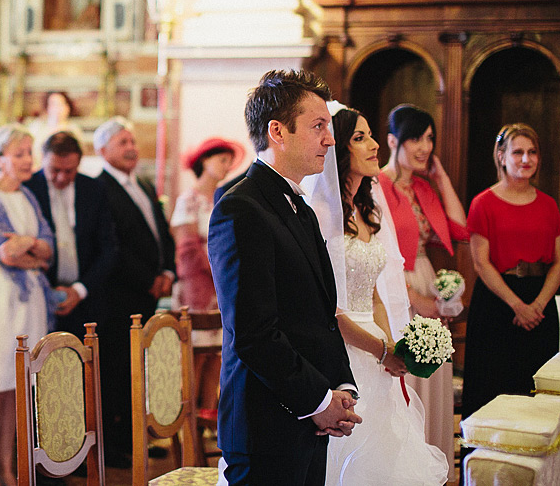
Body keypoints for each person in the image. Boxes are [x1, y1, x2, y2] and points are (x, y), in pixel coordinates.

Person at [208, 69, 360, 485]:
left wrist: (339, 388)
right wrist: (317, 399)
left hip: (308, 418)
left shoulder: (301, 208)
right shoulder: (240, 208)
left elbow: (321, 316)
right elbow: (254, 332)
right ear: (278, 131)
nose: (330, 140)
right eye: (318, 127)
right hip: (265, 424)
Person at [306, 106, 447, 485]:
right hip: (341, 351)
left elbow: (375, 296)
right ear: (339, 149)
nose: (372, 145)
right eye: (359, 138)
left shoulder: (367, 212)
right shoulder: (319, 214)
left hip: (375, 349)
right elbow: (329, 311)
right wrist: (379, 349)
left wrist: (390, 346)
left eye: (370, 135)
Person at [378, 103, 467, 480]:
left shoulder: (422, 186)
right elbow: (380, 254)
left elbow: (461, 228)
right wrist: (419, 300)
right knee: (407, 379)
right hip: (395, 284)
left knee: (434, 381)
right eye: (416, 138)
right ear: (393, 140)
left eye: (429, 139)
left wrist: (441, 175)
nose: (424, 146)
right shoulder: (377, 184)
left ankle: (435, 470)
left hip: (425, 275)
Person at [0, 124, 55, 486]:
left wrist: (27, 244)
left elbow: (48, 247)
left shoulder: (28, 197)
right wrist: (26, 250)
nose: (26, 160)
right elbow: (3, 252)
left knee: (17, 388)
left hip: (29, 302)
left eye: (29, 153)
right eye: (18, 154)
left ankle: (7, 469)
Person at [461, 124, 560, 420]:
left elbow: (558, 262)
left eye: (532, 152)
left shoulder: (549, 205)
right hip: (498, 303)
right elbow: (481, 263)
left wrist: (539, 305)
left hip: (540, 304)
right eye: (518, 152)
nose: (525, 159)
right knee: (492, 390)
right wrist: (518, 305)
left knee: (535, 393)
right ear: (502, 156)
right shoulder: (483, 203)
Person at [94, 116, 176, 467]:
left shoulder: (141, 182)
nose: (131, 147)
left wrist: (168, 270)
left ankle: (135, 436)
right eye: (122, 142)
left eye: (132, 141)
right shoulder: (99, 188)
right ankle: (113, 445)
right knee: (115, 371)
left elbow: (161, 230)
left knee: (137, 367)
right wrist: (147, 278)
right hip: (120, 295)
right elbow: (113, 245)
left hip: (149, 291)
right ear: (102, 150)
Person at [172, 137, 245, 415]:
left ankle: (210, 415)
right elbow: (187, 250)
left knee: (219, 354)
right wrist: (221, 264)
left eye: (229, 161)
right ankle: (188, 420)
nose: (226, 166)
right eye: (221, 160)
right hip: (198, 287)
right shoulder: (188, 200)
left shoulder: (225, 198)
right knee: (196, 355)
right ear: (205, 160)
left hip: (224, 284)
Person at [24, 130, 118, 337]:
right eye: (55, 169)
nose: (61, 177)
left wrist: (80, 290)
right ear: (43, 158)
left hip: (87, 298)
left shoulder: (94, 189)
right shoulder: (27, 188)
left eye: (69, 171)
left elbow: (108, 248)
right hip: (39, 298)